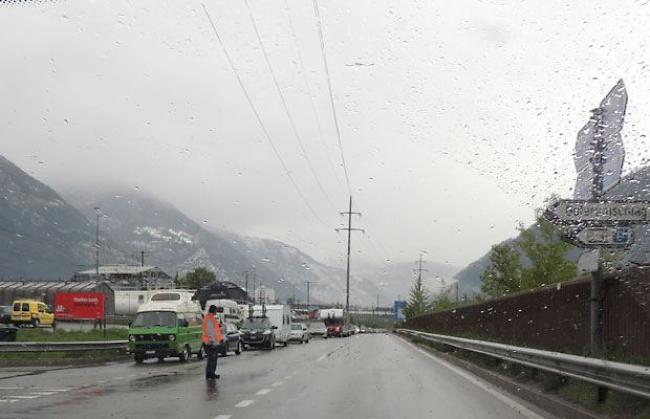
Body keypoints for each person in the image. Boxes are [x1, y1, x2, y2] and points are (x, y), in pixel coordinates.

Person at [202, 305, 223, 380]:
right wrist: (213, 343)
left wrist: (219, 326)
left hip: (209, 342)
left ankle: (210, 373)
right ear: (213, 310)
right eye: (216, 310)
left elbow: (213, 330)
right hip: (210, 343)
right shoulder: (210, 319)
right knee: (212, 359)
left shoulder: (209, 318)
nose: (216, 311)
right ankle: (210, 374)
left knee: (211, 359)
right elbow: (210, 332)